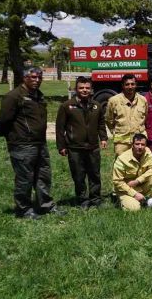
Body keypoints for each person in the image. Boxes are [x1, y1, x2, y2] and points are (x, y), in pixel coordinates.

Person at [0, 67, 64, 219]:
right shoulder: (13, 96)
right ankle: (24, 209)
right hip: (22, 145)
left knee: (43, 176)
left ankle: (45, 205)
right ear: (24, 78)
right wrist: (14, 137)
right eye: (33, 77)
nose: (37, 80)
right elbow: (3, 122)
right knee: (24, 178)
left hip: (40, 143)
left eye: (39, 77)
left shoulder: (38, 96)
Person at [55, 76, 108, 209]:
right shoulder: (67, 106)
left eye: (87, 88)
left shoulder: (97, 106)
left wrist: (103, 138)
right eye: (81, 88)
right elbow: (60, 128)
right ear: (76, 89)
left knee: (94, 174)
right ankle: (82, 199)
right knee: (78, 175)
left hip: (93, 147)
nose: (84, 90)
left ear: (91, 89)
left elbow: (101, 124)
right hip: (75, 148)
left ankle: (95, 199)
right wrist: (61, 146)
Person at [112, 133, 152, 211]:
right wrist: (134, 194)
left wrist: (137, 181)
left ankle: (150, 201)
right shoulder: (122, 159)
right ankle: (120, 200)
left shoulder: (147, 152)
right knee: (134, 209)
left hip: (140, 185)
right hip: (126, 190)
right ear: (132, 145)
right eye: (137, 144)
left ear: (146, 146)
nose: (140, 147)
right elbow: (117, 182)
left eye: (143, 144)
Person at [105, 73, 148, 156]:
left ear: (136, 85)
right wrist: (116, 131)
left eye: (132, 84)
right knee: (121, 166)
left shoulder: (143, 100)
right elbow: (109, 120)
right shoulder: (114, 101)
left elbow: (145, 117)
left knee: (139, 166)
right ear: (122, 85)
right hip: (121, 142)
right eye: (127, 84)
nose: (130, 87)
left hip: (139, 142)